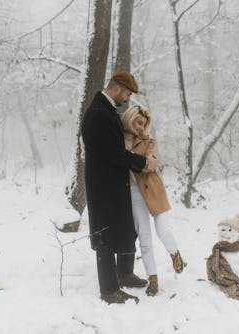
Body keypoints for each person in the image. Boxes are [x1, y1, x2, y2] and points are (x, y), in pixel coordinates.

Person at [81, 70, 158, 304]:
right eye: (127, 93)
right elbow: (113, 153)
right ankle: (109, 290)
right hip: (104, 186)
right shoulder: (99, 114)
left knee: (126, 227)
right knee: (104, 235)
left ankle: (124, 273)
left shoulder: (106, 111)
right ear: (116, 89)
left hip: (113, 183)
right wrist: (143, 163)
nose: (128, 99)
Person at [121, 105, 185, 296]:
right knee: (145, 238)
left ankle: (175, 253)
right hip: (133, 193)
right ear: (130, 117)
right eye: (138, 122)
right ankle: (153, 280)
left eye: (143, 124)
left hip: (154, 191)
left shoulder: (148, 141)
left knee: (163, 230)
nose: (141, 127)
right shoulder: (117, 140)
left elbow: (150, 164)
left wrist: (141, 161)